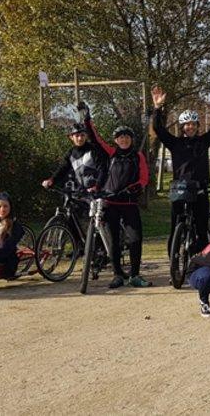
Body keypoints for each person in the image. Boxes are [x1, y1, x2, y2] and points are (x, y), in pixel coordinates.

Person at [151, 83, 210, 254]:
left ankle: (200, 258)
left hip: (200, 189)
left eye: (193, 124)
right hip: (180, 190)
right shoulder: (175, 143)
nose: (190, 127)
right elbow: (158, 129)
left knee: (201, 229)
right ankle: (174, 263)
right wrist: (157, 107)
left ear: (197, 126)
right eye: (187, 124)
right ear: (182, 127)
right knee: (175, 226)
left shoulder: (203, 141)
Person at [82, 102, 152, 288]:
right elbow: (95, 139)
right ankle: (117, 274)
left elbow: (144, 177)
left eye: (127, 137)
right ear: (116, 141)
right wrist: (87, 118)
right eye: (120, 137)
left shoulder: (138, 156)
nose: (123, 140)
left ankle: (135, 275)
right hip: (110, 202)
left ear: (131, 139)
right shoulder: (111, 153)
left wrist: (135, 188)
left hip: (129, 203)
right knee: (113, 240)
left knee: (135, 238)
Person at [43, 121, 108, 193]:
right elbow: (63, 168)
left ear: (86, 136)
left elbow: (103, 170)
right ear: (71, 137)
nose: (80, 138)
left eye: (82, 135)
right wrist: (51, 180)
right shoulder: (71, 153)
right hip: (80, 192)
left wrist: (97, 187)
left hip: (96, 193)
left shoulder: (93, 150)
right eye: (77, 136)